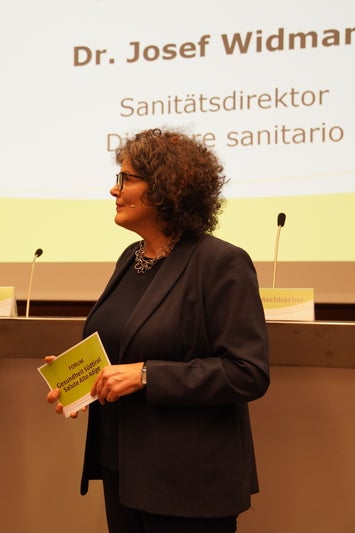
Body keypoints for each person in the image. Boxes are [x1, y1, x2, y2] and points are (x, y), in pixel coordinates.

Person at [45, 128, 270, 532]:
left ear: (166, 188)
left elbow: (247, 372)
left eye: (126, 178)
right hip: (122, 469)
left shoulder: (221, 262)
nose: (114, 190)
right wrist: (78, 378)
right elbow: (125, 346)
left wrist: (147, 375)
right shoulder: (130, 258)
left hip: (188, 483)